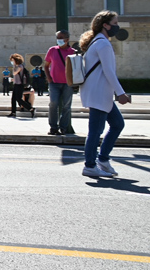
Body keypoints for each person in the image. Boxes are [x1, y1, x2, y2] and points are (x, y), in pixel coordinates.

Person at [78, 11, 130, 178]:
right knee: (96, 130)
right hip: (99, 93)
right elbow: (109, 71)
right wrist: (121, 93)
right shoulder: (103, 44)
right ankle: (90, 165)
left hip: (100, 93)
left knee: (117, 124)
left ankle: (103, 160)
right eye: (115, 23)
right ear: (105, 25)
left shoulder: (97, 42)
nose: (117, 26)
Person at [44, 30, 76, 136]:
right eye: (58, 38)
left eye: (61, 38)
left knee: (67, 105)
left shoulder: (73, 52)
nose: (59, 40)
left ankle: (64, 127)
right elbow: (46, 65)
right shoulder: (52, 50)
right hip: (54, 82)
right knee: (53, 103)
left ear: (67, 39)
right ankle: (53, 127)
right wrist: (49, 78)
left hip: (68, 83)